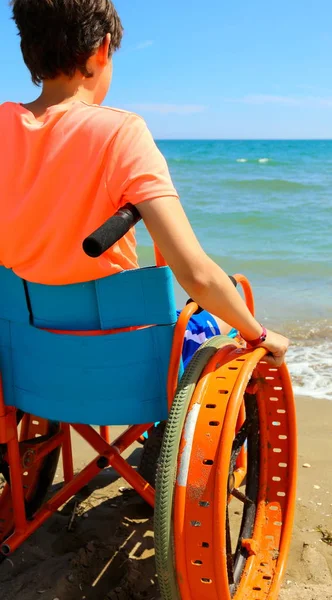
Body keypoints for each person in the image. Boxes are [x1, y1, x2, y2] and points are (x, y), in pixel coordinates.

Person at [0, 0, 289, 367]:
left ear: (27, 49)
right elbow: (196, 275)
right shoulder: (121, 132)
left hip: (25, 365)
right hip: (123, 368)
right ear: (102, 49)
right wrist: (259, 334)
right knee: (220, 333)